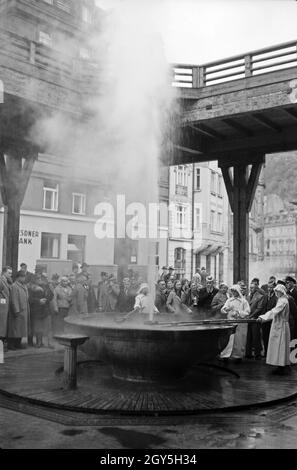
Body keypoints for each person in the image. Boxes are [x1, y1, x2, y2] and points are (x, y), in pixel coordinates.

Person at [258, 284, 291, 375]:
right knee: (278, 346)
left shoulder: (283, 301)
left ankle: (282, 366)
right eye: (276, 291)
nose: (277, 293)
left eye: (278, 292)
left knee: (281, 346)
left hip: (281, 326)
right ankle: (280, 365)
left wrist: (263, 317)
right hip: (278, 325)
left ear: (282, 292)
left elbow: (275, 311)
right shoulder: (281, 300)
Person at [220, 284, 250, 362]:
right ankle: (225, 356)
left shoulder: (243, 301)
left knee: (239, 340)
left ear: (238, 291)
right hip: (230, 322)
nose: (233, 293)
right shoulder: (229, 300)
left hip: (240, 323)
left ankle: (238, 356)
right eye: (232, 291)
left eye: (235, 291)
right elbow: (222, 310)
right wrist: (226, 309)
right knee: (229, 339)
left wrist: (238, 313)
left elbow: (247, 312)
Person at [28, 274, 54, 348]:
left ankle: (50, 343)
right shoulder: (31, 288)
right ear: (34, 279)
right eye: (38, 278)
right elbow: (29, 299)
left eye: (41, 278)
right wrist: (39, 301)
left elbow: (52, 295)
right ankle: (39, 343)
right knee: (38, 328)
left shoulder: (46, 286)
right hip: (37, 311)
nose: (40, 279)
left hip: (46, 310)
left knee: (49, 328)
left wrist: (46, 299)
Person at [7, 271, 30, 350]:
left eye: (24, 276)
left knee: (20, 329)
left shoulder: (24, 286)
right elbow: (14, 299)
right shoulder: (14, 286)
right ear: (18, 277)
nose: (24, 278)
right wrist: (16, 310)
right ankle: (11, 344)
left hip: (23, 310)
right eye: (23, 276)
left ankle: (18, 343)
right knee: (15, 329)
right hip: (17, 311)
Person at [246, 281, 266, 360]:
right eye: (250, 288)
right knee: (249, 337)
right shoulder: (248, 296)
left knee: (256, 337)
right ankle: (248, 354)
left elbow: (259, 308)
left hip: (255, 319)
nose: (250, 289)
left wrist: (250, 316)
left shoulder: (260, 296)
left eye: (252, 288)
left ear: (256, 288)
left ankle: (257, 354)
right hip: (248, 319)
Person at [262, 280, 277, 357]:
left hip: (272, 320)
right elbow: (262, 307)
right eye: (268, 287)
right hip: (265, 320)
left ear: (274, 287)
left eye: (271, 287)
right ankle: (266, 352)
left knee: (272, 337)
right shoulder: (265, 295)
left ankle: (272, 353)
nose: (269, 289)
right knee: (265, 336)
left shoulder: (276, 297)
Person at [0, 266, 12, 351]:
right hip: (2, 308)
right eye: (9, 273)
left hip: (5, 307)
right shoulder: (1, 281)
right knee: (1, 326)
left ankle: (3, 344)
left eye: (11, 273)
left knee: (4, 326)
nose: (10, 275)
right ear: (4, 272)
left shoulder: (7, 281)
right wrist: (2, 301)